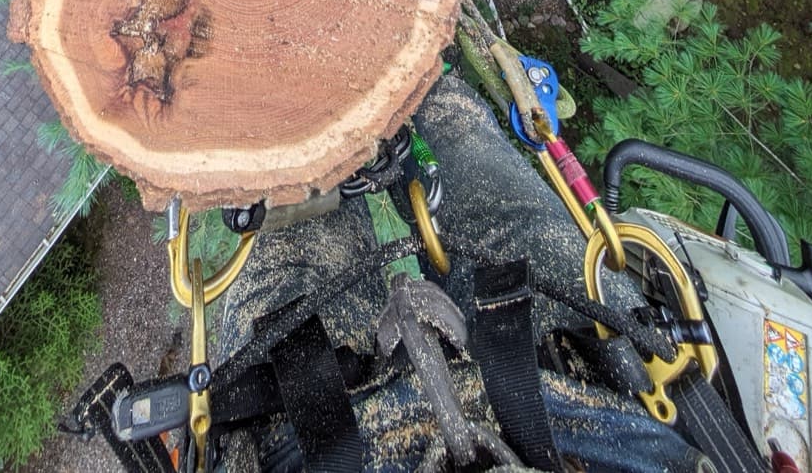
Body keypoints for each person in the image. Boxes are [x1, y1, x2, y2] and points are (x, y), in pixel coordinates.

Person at [211, 75, 733, 473]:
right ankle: (411, 75)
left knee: (274, 159)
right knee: (452, 128)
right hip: (599, 401)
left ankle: (280, 87)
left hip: (307, 436)